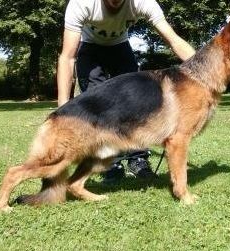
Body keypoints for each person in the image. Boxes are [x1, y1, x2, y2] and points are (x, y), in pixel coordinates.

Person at [57, 0, 195, 182]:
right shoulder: (82, 4)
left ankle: (137, 159)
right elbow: (67, 58)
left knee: (138, 104)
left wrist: (201, 71)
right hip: (89, 47)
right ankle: (110, 165)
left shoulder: (143, 2)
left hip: (120, 47)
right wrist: (62, 107)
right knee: (99, 109)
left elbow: (173, 39)